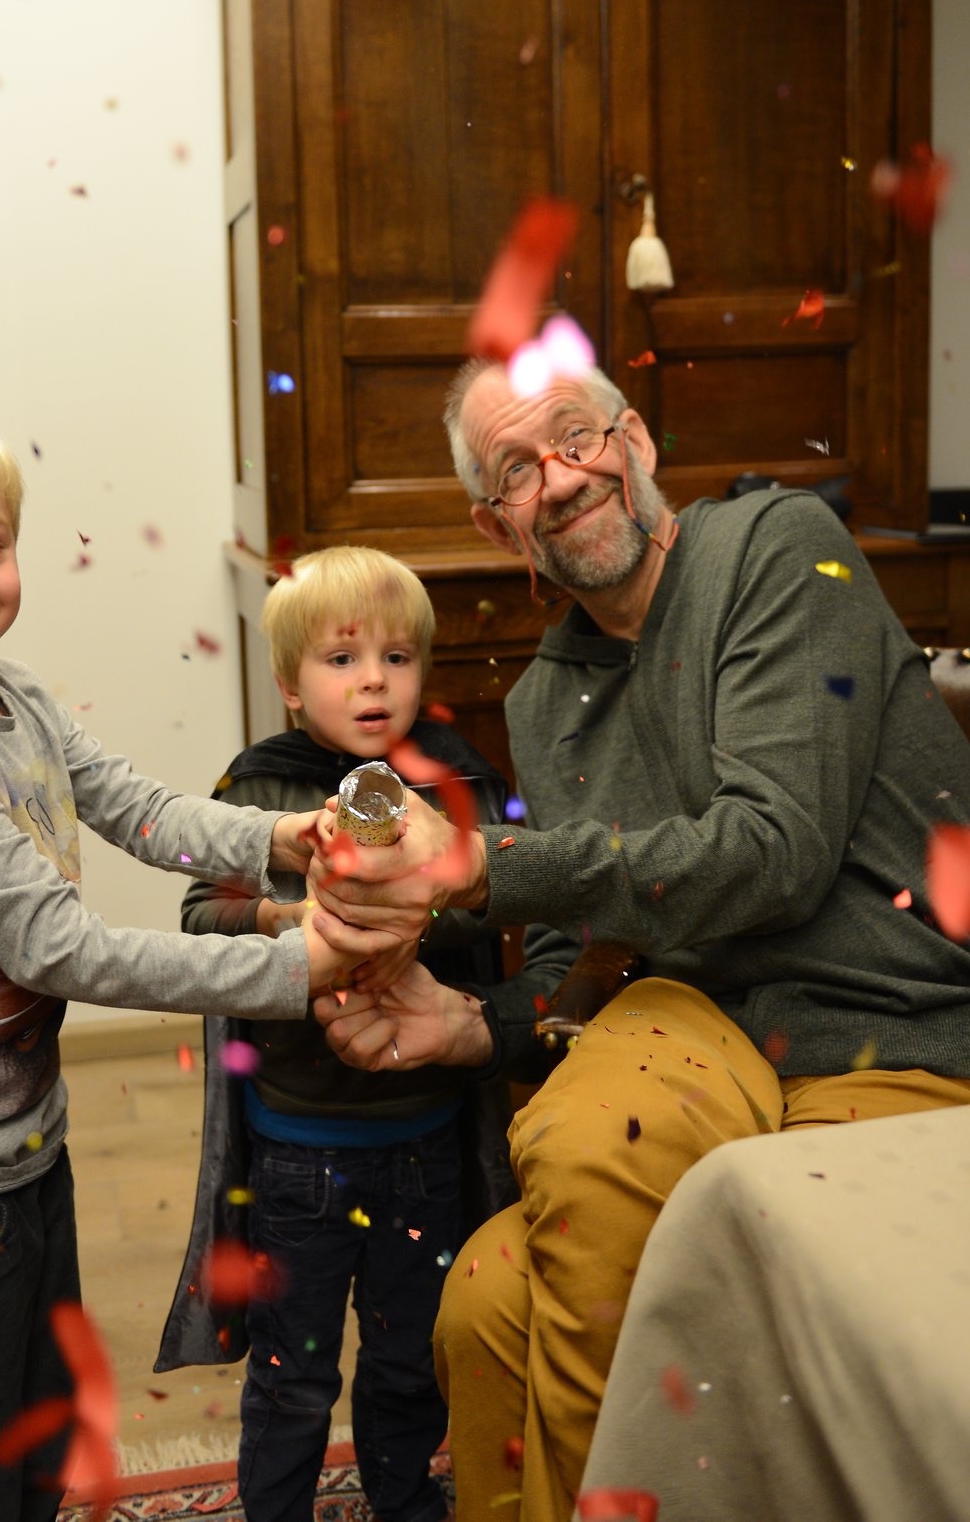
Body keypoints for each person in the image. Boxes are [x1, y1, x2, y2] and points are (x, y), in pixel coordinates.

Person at [310, 357, 970, 1521]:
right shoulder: (544, 695)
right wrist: (474, 1025)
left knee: (517, 1278)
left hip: (886, 1027)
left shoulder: (773, 549)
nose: (559, 479)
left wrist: (472, 865)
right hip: (706, 1027)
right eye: (517, 469)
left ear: (638, 440)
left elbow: (772, 853)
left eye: (575, 436)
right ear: (492, 520)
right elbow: (576, 955)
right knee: (480, 1302)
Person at [0, 399, 390, 1522]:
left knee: (36, 1438)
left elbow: (128, 803)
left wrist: (273, 837)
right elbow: (63, 952)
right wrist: (296, 971)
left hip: (13, 1161)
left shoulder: (9, 695)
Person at [157, 546, 515, 1522]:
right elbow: (199, 917)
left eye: (396, 659)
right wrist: (286, 920)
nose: (371, 681)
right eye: (341, 658)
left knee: (410, 1361)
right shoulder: (259, 787)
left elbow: (505, 917)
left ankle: (406, 1504)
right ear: (286, 681)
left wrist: (424, 902)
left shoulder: (459, 783)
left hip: (424, 1139)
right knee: (291, 1371)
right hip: (297, 1150)